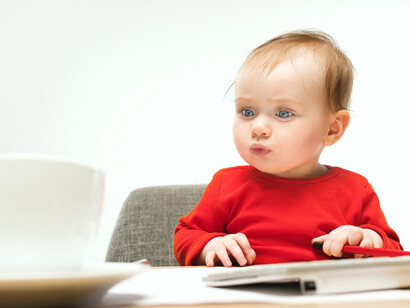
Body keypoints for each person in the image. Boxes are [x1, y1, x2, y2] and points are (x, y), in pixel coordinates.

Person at [173, 30, 402, 267]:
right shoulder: (225, 185)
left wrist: (369, 240)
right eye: (247, 112)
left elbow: (393, 250)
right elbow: (186, 235)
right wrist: (210, 245)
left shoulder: (355, 190)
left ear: (332, 129)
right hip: (247, 300)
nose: (258, 127)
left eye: (283, 113)